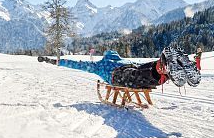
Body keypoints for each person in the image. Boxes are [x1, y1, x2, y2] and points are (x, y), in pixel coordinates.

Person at [38, 47, 201, 89]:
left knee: (137, 77)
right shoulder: (122, 59)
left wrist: (54, 61)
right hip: (132, 68)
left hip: (119, 77)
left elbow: (76, 64)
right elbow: (138, 67)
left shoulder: (98, 65)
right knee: (141, 72)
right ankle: (164, 66)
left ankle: (164, 68)